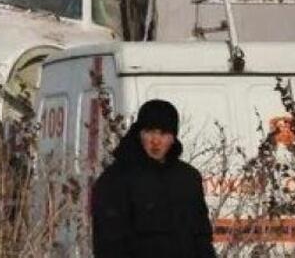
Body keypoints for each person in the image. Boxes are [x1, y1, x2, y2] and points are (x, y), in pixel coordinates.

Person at [92, 99, 215, 258]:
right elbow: (108, 243)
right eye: (150, 132)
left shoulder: (188, 178)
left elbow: (201, 236)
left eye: (163, 133)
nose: (156, 140)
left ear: (173, 137)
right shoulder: (116, 179)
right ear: (139, 134)